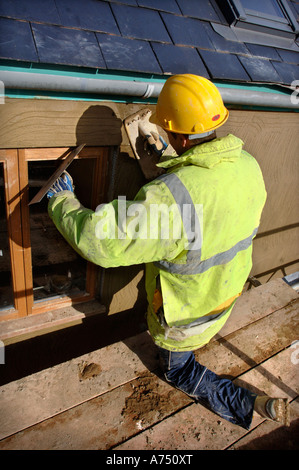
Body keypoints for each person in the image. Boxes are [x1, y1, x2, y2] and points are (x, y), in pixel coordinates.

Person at [47, 74, 289, 429]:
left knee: (179, 372)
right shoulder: (248, 166)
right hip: (223, 299)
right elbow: (203, 212)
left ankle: (248, 402)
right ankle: (257, 401)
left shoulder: (173, 199)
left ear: (180, 136)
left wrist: (62, 201)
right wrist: (170, 167)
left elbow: (101, 240)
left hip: (185, 320)